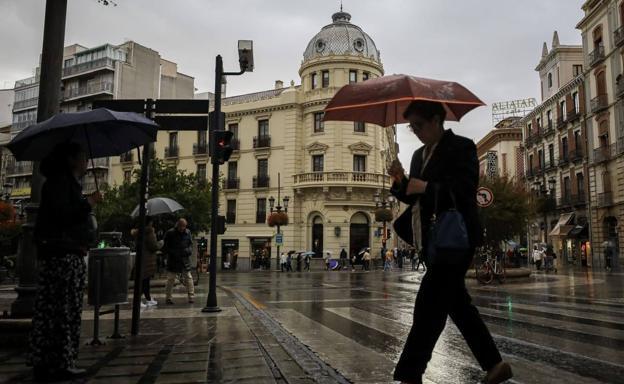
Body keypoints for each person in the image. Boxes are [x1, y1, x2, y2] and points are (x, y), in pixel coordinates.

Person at [388, 100, 512, 384]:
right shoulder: (419, 155)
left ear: (436, 120)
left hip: (456, 237)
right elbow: (412, 196)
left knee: (428, 304)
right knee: (457, 303)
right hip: (432, 238)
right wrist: (399, 179)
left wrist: (428, 187)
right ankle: (494, 364)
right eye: (412, 127)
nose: (416, 132)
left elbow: (466, 190)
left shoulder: (463, 147)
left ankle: (409, 373)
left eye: (419, 125)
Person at [29, 142, 101, 381]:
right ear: (71, 160)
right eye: (83, 157)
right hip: (63, 255)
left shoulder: (63, 183)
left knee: (56, 311)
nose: (86, 163)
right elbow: (65, 216)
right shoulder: (61, 183)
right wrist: (88, 203)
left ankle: (48, 360)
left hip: (62, 254)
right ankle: (60, 362)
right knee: (63, 311)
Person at [164, 218, 195, 304]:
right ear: (178, 225)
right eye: (181, 226)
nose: (182, 228)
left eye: (184, 227)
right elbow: (166, 247)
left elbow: (190, 244)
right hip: (173, 259)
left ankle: (191, 297)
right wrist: (174, 252)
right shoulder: (170, 233)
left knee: (189, 278)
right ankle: (168, 298)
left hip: (184, 259)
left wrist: (188, 251)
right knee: (171, 279)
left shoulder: (187, 232)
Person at [131, 216, 160, 307]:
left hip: (141, 257)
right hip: (148, 259)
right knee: (144, 280)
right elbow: (153, 246)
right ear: (149, 223)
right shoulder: (149, 231)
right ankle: (139, 301)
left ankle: (148, 298)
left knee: (144, 279)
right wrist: (161, 243)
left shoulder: (138, 232)